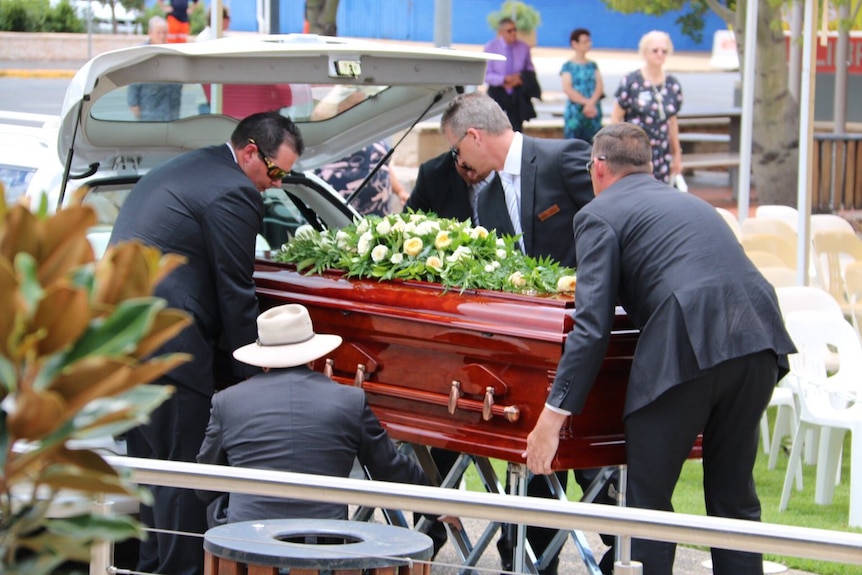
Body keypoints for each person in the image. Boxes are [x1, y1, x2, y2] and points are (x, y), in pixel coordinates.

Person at [524, 123, 796, 575]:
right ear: (648, 166)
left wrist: (552, 418)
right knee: (735, 500)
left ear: (598, 167)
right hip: (757, 336)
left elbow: (592, 326)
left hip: (686, 345)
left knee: (646, 505)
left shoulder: (599, 213)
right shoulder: (690, 202)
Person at [108, 111, 305, 575]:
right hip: (169, 344)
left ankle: (154, 565)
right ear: (250, 152)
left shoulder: (192, 167)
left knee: (150, 467)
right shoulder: (234, 189)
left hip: (126, 339)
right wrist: (257, 378)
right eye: (275, 173)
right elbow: (236, 294)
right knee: (184, 470)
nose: (275, 185)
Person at [441, 92, 611, 575]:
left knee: (598, 469)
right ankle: (535, 562)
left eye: (457, 150)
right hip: (530, 358)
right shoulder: (487, 196)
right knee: (536, 466)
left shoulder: (565, 157)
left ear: (473, 137)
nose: (459, 162)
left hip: (591, 341)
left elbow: (615, 224)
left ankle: (624, 554)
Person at [196, 303, 433, 524]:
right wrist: (437, 505)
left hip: (247, 542)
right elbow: (388, 466)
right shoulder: (349, 400)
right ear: (313, 357)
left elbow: (204, 487)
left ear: (263, 362)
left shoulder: (227, 402)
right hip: (323, 543)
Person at [610, 30, 683, 185]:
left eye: (664, 51)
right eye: (655, 50)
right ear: (645, 52)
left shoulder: (672, 84)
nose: (660, 54)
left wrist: (677, 154)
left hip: (662, 152)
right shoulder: (631, 81)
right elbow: (616, 117)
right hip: (635, 152)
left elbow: (672, 121)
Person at [405, 149, 499, 225]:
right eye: (465, 167)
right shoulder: (434, 175)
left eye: (476, 166)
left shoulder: (508, 169)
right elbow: (406, 223)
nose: (472, 175)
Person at [314, 140, 407, 216]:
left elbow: (384, 165)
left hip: (378, 214)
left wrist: (400, 191)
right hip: (337, 211)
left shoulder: (369, 132)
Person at [483, 17, 540, 132]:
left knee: (516, 129)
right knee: (495, 127)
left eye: (515, 30)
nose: (513, 33)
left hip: (516, 93)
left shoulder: (523, 47)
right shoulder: (491, 47)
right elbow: (486, 74)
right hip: (498, 91)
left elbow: (529, 69)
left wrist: (519, 78)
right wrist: (503, 80)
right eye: (509, 31)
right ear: (501, 32)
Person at [127, 16, 182, 121]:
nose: (162, 36)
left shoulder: (173, 52)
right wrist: (133, 103)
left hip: (171, 109)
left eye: (164, 33)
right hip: (149, 109)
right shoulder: (141, 53)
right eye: (159, 32)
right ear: (150, 32)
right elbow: (133, 79)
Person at [560, 28, 604, 142]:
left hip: (593, 110)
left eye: (588, 41)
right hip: (576, 111)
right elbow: (567, 88)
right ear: (574, 44)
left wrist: (591, 103)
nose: (588, 44)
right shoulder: (568, 66)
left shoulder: (593, 65)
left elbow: (599, 85)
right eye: (584, 41)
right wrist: (586, 102)